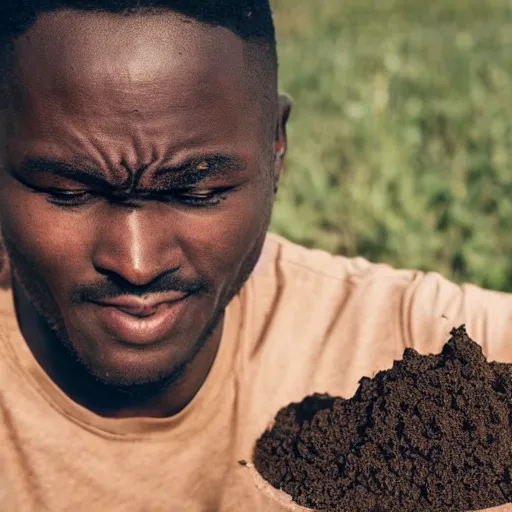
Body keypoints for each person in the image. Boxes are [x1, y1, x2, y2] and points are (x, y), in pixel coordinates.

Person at [0, 1, 511, 511]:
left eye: (196, 193)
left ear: (276, 150)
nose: (137, 263)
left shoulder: (395, 337)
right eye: (69, 192)